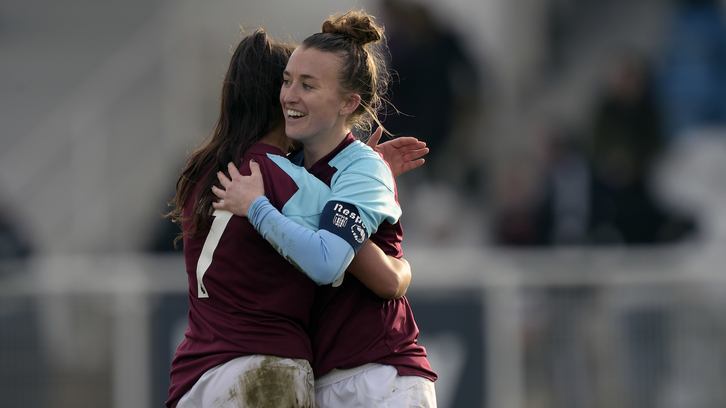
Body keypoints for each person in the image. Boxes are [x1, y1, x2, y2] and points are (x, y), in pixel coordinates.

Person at [166, 29, 427, 408]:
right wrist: (367, 178)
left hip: (196, 376)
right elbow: (386, 278)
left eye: (306, 85)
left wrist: (366, 173)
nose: (291, 95)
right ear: (273, 97)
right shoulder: (286, 177)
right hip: (268, 366)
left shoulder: (204, 168)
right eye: (287, 82)